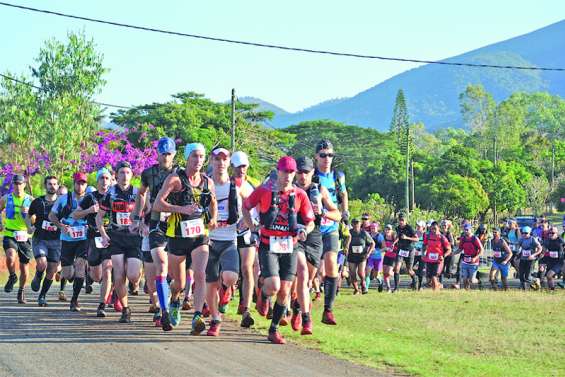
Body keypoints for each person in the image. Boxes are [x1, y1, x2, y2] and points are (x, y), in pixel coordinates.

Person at [243, 156, 315, 344]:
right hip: (268, 244)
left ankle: (273, 329)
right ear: (278, 171)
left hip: (290, 246)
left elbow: (310, 221)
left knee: (285, 290)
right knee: (274, 285)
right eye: (285, 172)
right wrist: (252, 227)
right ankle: (263, 293)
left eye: (292, 172)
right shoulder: (264, 191)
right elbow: (246, 206)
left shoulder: (300, 194)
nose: (288, 176)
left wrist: (303, 230)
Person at [153, 143, 217, 335]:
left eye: (201, 157)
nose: (198, 161)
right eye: (194, 156)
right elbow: (157, 204)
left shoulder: (207, 182)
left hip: (199, 236)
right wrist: (181, 209)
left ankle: (197, 316)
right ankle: (174, 299)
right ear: (187, 158)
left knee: (200, 274)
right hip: (177, 236)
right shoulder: (175, 179)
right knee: (179, 283)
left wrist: (213, 219)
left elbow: (212, 203)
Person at [292, 156, 340, 334]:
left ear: (313, 173)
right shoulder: (290, 189)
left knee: (308, 280)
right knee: (302, 274)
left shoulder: (319, 190)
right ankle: (305, 318)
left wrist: (324, 212)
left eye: (306, 172)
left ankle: (297, 307)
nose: (303, 175)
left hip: (315, 237)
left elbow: (338, 215)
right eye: (300, 172)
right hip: (294, 236)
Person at [135, 137, 177, 329]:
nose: (165, 157)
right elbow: (141, 193)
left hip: (176, 225)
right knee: (153, 277)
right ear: (157, 153)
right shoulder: (148, 173)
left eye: (169, 153)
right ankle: (160, 306)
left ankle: (169, 304)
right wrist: (138, 216)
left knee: (173, 273)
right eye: (162, 153)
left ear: (174, 154)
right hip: (153, 224)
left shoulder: (180, 174)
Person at [97, 161, 143, 323]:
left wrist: (140, 223)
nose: (124, 176)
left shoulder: (138, 193)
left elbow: (148, 210)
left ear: (132, 175)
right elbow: (99, 217)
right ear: (116, 175)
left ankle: (136, 281)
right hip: (116, 237)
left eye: (127, 173)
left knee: (132, 275)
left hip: (134, 238)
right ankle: (125, 309)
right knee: (119, 274)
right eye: (121, 173)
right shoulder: (110, 193)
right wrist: (103, 234)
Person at [205, 147, 242, 336]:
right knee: (209, 284)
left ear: (229, 163)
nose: (220, 163)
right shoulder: (204, 185)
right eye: (217, 159)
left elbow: (247, 213)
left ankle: (226, 288)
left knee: (230, 277)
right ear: (211, 161)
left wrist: (251, 228)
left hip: (229, 240)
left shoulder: (236, 186)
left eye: (224, 159)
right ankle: (215, 318)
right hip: (208, 242)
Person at [71, 168, 113, 317]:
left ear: (111, 180)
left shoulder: (115, 195)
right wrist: (89, 210)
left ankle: (102, 305)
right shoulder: (90, 197)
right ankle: (101, 284)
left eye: (107, 178)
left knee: (108, 268)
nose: (104, 181)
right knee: (96, 275)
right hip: (93, 238)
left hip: (110, 238)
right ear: (97, 181)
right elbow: (75, 215)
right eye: (101, 178)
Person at [313, 140, 347, 325]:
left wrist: (345, 212)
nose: (327, 158)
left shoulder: (337, 175)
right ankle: (296, 305)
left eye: (330, 155)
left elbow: (343, 194)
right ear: (316, 157)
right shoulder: (312, 176)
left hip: (332, 226)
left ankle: (328, 310)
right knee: (311, 271)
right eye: (323, 155)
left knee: (332, 265)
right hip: (315, 228)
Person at [48, 172, 90, 311]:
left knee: (80, 265)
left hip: (83, 238)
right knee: (67, 274)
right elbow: (51, 215)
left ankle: (74, 300)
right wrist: (61, 226)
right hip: (67, 239)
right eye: (78, 182)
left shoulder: (90, 200)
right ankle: (71, 276)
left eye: (83, 183)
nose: (80, 185)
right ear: (74, 183)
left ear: (86, 185)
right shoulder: (63, 199)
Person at [231, 151, 259, 328]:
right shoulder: (224, 183)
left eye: (244, 166)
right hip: (226, 233)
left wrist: (249, 222)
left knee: (247, 268)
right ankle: (224, 295)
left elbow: (258, 207)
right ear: (232, 167)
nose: (241, 169)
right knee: (228, 273)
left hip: (246, 232)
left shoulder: (253, 185)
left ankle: (246, 309)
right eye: (238, 166)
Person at [26, 176, 61, 306]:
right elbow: (28, 215)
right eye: (50, 184)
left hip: (57, 241)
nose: (52, 186)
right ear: (45, 186)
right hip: (40, 238)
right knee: (42, 263)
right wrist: (29, 227)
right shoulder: (38, 202)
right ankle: (38, 275)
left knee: (52, 270)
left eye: (54, 184)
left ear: (58, 186)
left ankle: (42, 296)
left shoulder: (62, 202)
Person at [0, 174, 33, 303]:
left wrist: (29, 212)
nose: (18, 186)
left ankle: (21, 291)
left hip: (25, 235)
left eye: (20, 184)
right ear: (12, 185)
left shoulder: (31, 200)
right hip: (10, 233)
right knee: (10, 256)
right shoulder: (6, 198)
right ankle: (13, 276)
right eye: (15, 184)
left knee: (24, 267)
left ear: (24, 185)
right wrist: (1, 224)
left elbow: (35, 220)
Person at [346, 218, 374, 294]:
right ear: (352, 224)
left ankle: (363, 284)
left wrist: (368, 253)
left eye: (357, 223)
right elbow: (344, 241)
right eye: (354, 223)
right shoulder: (349, 232)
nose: (356, 225)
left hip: (362, 256)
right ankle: (356, 289)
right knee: (352, 273)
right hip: (352, 256)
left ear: (360, 224)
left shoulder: (364, 233)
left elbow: (372, 243)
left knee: (361, 273)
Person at [422, 221, 451, 291]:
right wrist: (423, 253)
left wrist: (443, 256)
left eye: (435, 228)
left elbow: (449, 249)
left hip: (438, 260)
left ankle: (434, 293)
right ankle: (439, 285)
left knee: (434, 277)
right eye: (432, 229)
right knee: (429, 280)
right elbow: (424, 245)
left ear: (438, 228)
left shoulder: (442, 237)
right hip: (429, 259)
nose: (433, 230)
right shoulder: (428, 236)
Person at [394, 213, 419, 290]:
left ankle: (415, 279)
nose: (401, 222)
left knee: (409, 270)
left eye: (402, 220)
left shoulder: (410, 228)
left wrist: (407, 237)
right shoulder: (397, 228)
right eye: (400, 220)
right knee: (397, 268)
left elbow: (417, 239)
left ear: (405, 220)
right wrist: (394, 242)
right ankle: (396, 288)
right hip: (401, 249)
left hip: (409, 250)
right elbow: (399, 236)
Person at [458, 223, 484, 290]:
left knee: (472, 280)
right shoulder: (463, 238)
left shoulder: (474, 238)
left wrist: (475, 257)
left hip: (474, 262)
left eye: (467, 230)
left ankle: (479, 282)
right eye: (464, 230)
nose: (465, 231)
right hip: (465, 261)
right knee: (464, 278)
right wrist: (453, 253)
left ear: (470, 230)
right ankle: (467, 291)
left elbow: (482, 250)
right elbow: (460, 249)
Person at [517, 226, 542, 290]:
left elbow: (540, 249)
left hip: (531, 260)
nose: (524, 234)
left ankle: (536, 280)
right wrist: (518, 253)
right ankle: (524, 289)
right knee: (521, 276)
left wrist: (533, 255)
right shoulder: (521, 239)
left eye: (526, 233)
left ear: (529, 233)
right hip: (523, 259)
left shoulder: (533, 239)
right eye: (523, 233)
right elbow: (519, 247)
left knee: (527, 277)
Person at [540, 226, 564, 291]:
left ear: (557, 233)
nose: (550, 234)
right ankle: (552, 290)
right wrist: (542, 263)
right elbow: (543, 252)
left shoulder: (561, 241)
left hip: (559, 261)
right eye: (549, 233)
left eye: (553, 233)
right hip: (550, 260)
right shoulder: (547, 241)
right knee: (549, 277)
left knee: (549, 275)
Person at [366, 222, 384, 292]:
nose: (373, 229)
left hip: (378, 258)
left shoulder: (380, 236)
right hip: (370, 257)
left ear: (377, 228)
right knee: (367, 273)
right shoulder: (368, 235)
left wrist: (377, 251)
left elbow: (384, 247)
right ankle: (366, 289)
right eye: (371, 228)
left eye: (374, 228)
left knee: (375, 276)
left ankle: (380, 282)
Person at [381, 224, 397, 293]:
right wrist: (385, 249)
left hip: (393, 256)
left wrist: (393, 248)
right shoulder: (384, 237)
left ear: (391, 230)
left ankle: (396, 272)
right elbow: (382, 247)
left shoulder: (394, 237)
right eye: (386, 229)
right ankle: (388, 288)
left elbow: (399, 245)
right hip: (387, 256)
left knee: (389, 272)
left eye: (389, 229)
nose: (387, 231)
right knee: (384, 273)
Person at [413, 220, 427, 290]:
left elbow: (426, 245)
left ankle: (420, 286)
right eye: (417, 226)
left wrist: (422, 250)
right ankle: (414, 281)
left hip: (422, 254)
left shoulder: (425, 235)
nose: (417, 227)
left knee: (421, 271)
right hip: (414, 254)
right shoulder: (414, 233)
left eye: (419, 226)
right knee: (409, 268)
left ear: (423, 227)